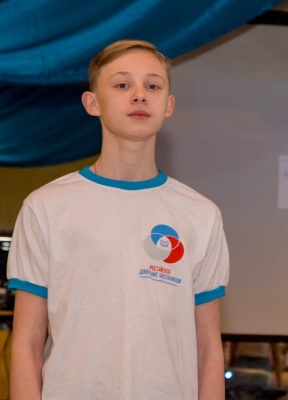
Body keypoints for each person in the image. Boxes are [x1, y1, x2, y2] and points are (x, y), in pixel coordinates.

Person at [8, 40, 229, 400]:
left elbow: (209, 351)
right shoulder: (46, 207)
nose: (139, 95)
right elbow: (26, 346)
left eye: (153, 86)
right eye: (122, 84)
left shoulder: (201, 214)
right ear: (92, 103)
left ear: (168, 105)